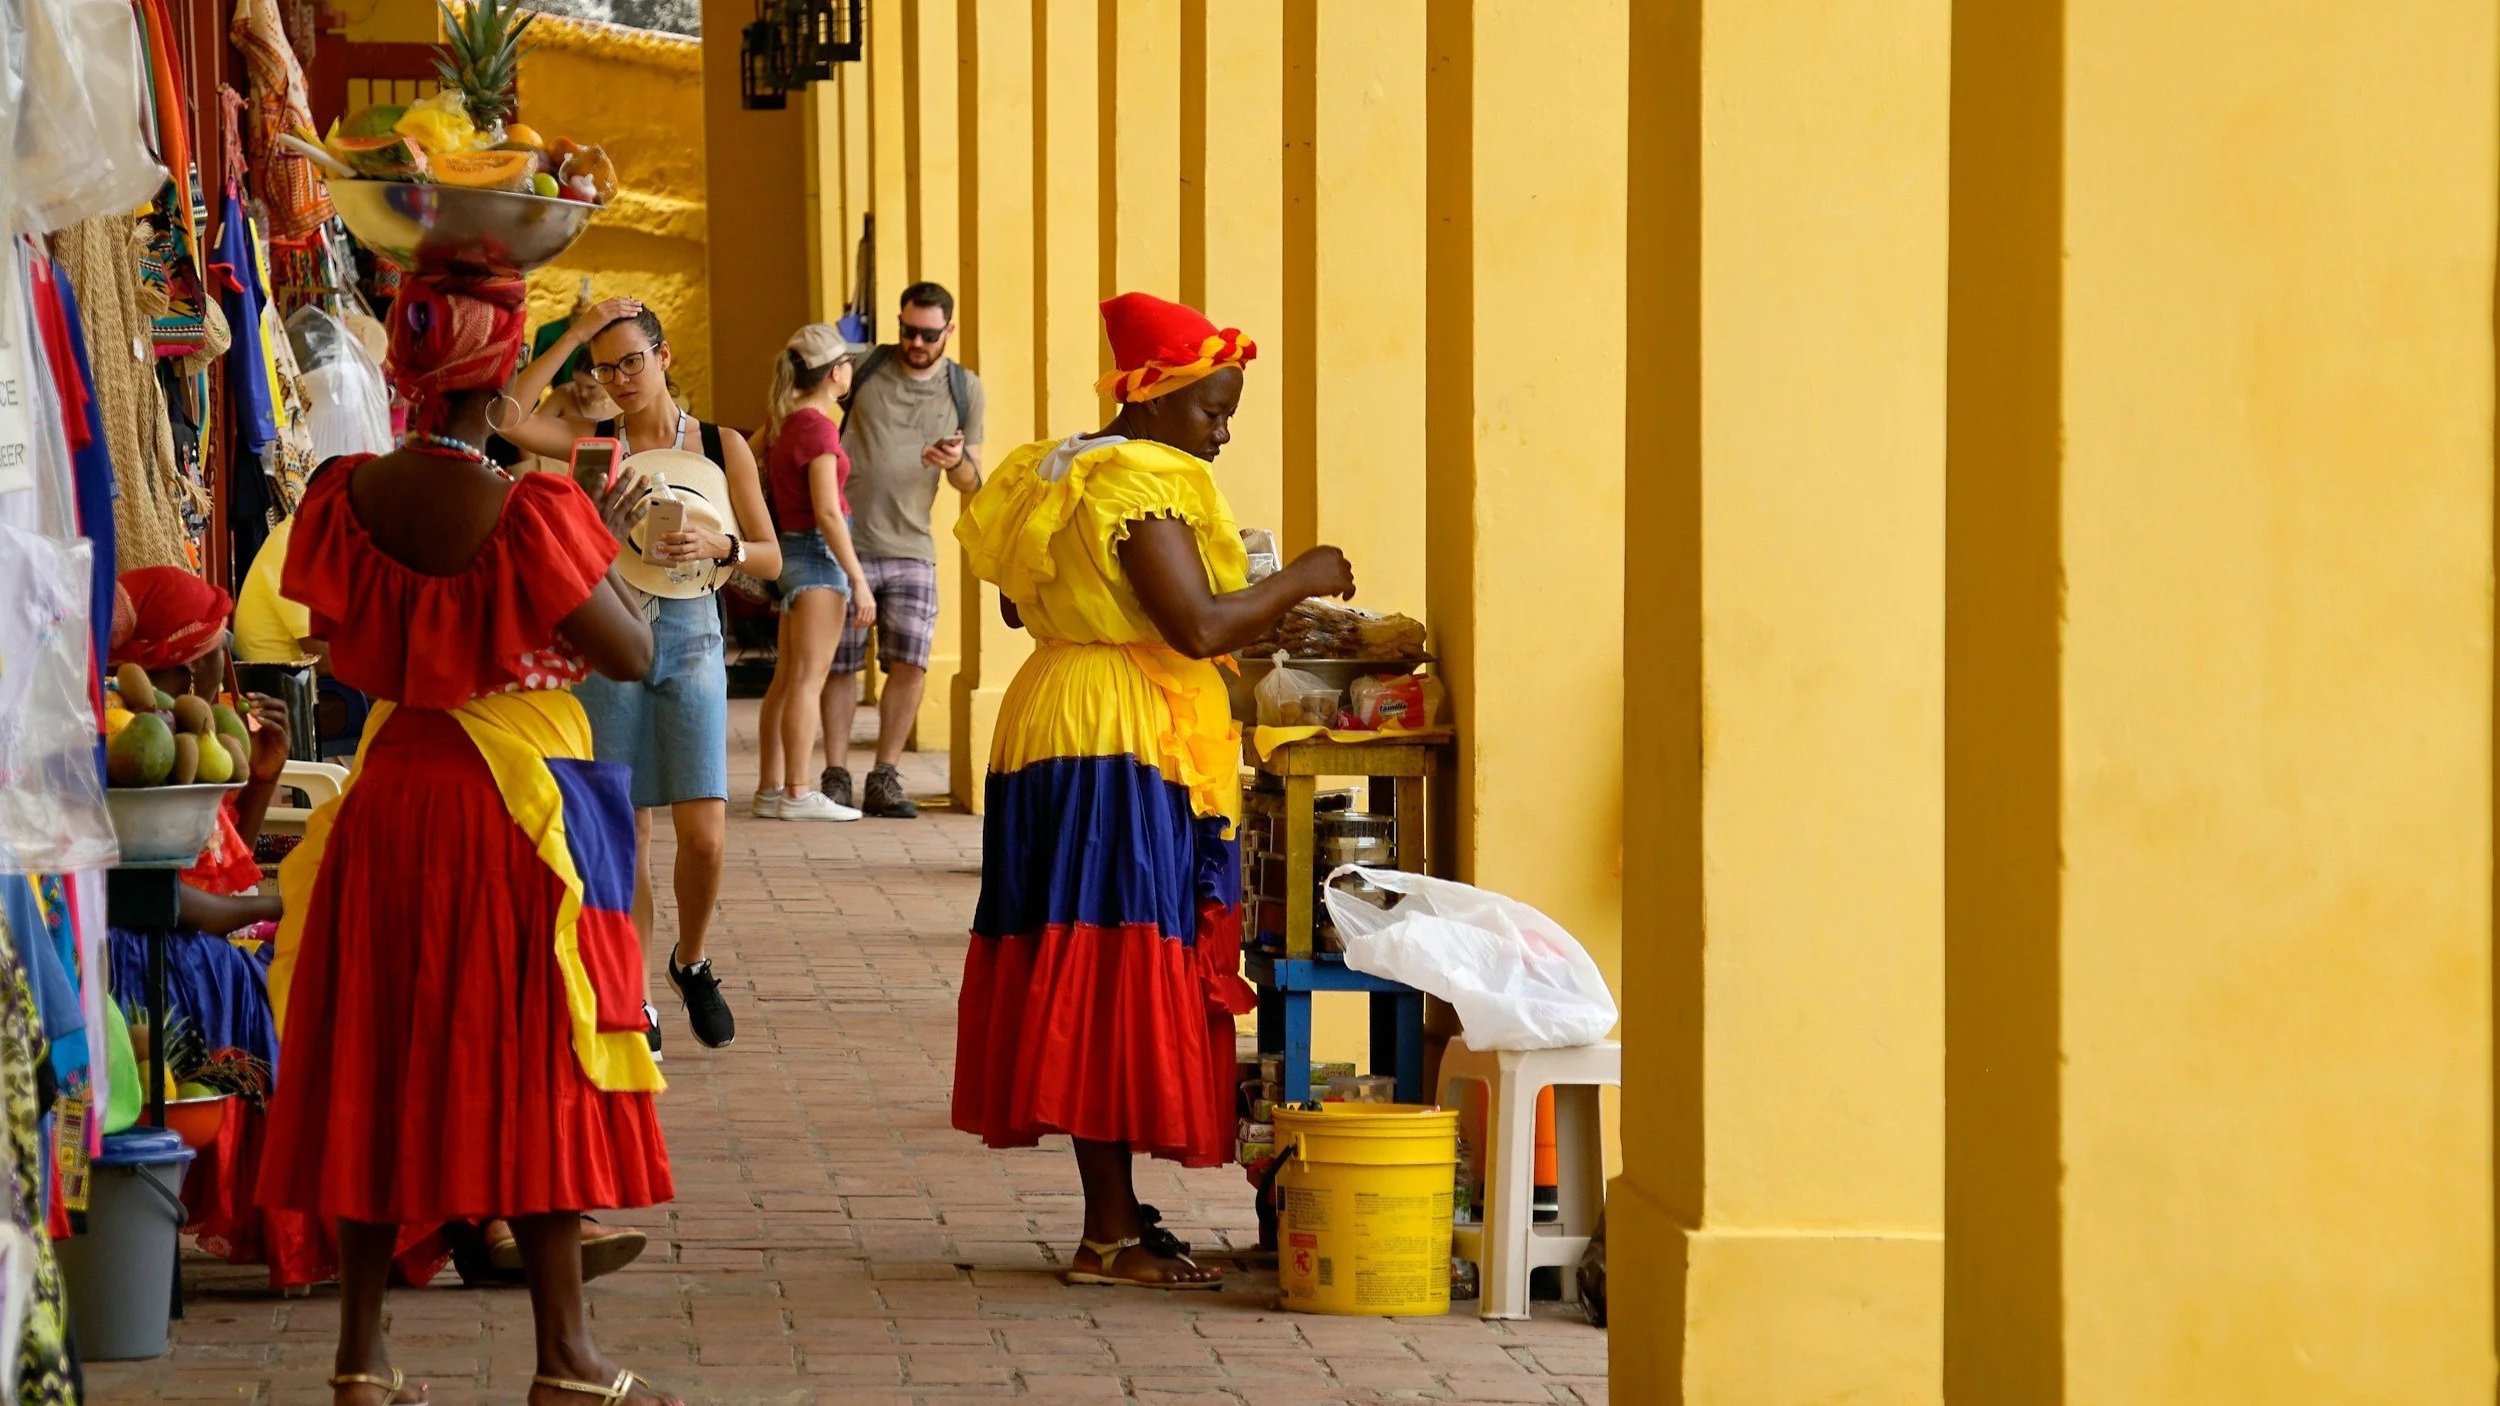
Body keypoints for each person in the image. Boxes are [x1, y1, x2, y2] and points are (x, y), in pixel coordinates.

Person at [255, 273, 682, 1406]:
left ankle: (359, 1353)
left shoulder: (343, 495)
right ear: (501, 383)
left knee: (373, 1055)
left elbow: (321, 629)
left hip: (388, 795)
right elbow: (631, 650)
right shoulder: (530, 510)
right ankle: (566, 1356)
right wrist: (617, 543)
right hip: (507, 812)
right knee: (533, 1056)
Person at [951, 292, 1355, 1289]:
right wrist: (1303, 574)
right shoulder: (1138, 480)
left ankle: (1116, 1213)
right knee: (1114, 961)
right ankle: (1107, 1233)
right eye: (1211, 409)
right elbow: (1199, 628)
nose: (1219, 430)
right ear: (1154, 401)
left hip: (1056, 709)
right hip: (1117, 735)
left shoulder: (1056, 467)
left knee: (1087, 951)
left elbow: (1015, 598)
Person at [499, 297, 782, 1053]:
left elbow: (771, 555)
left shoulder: (722, 446)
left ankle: (691, 960)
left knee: (707, 834)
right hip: (615, 631)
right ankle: (635, 996)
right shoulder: (594, 445)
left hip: (691, 635)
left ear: (664, 358)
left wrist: (723, 546)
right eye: (606, 365)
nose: (620, 378)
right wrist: (577, 334)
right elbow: (506, 415)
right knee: (628, 833)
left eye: (632, 360)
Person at [820, 281, 985, 819]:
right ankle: (836, 774)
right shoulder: (863, 366)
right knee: (840, 664)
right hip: (844, 538)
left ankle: (884, 776)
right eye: (907, 330)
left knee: (910, 663)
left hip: (913, 545)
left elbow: (972, 481)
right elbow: (812, 411)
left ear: (948, 332)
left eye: (928, 334)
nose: (915, 342)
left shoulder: (964, 388)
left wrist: (955, 461)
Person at [753, 325, 874, 819]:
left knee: (785, 680)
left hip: (791, 551)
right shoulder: (820, 429)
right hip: (819, 555)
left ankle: (769, 788)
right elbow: (828, 511)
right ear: (834, 374)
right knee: (808, 679)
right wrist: (859, 578)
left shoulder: (783, 420)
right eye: (847, 364)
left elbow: (749, 456)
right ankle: (798, 792)